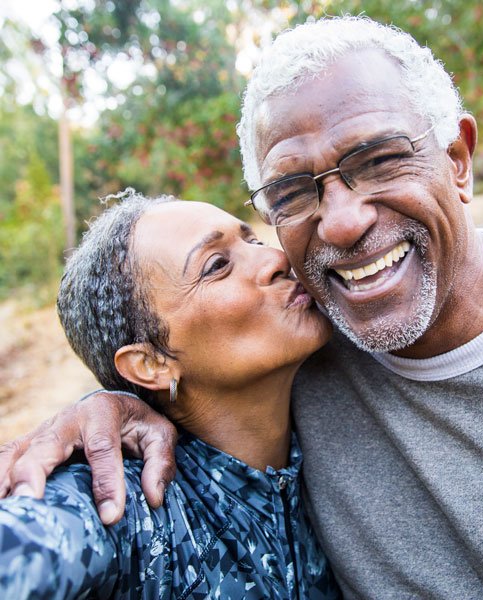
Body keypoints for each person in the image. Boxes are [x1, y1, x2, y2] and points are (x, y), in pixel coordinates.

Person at [2, 15, 483, 599]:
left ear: (460, 159)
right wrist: (106, 407)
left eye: (379, 160)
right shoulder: (138, 498)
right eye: (291, 193)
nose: (339, 224)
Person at [0, 192, 340, 599]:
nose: (275, 259)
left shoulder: (336, 413)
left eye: (252, 241)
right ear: (151, 364)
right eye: (217, 266)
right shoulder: (129, 506)